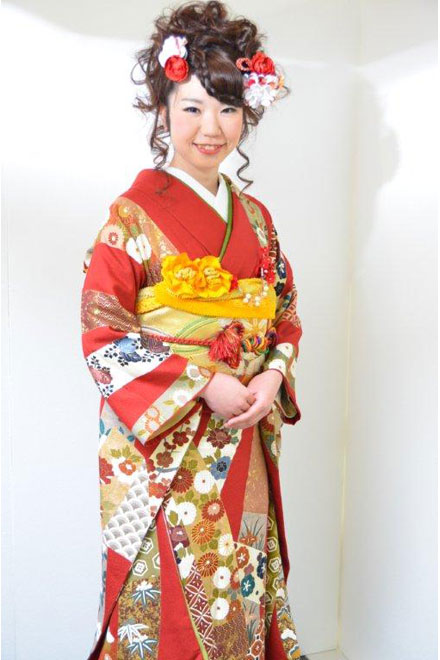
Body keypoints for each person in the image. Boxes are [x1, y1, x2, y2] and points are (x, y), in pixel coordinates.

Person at [81, 1, 304, 658]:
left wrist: (272, 375)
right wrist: (203, 382)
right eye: (193, 107)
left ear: (247, 114)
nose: (212, 128)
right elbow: (103, 335)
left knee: (240, 585)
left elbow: (284, 313)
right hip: (164, 451)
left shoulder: (256, 219)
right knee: (165, 604)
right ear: (162, 109)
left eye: (229, 109)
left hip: (243, 435)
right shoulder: (131, 216)